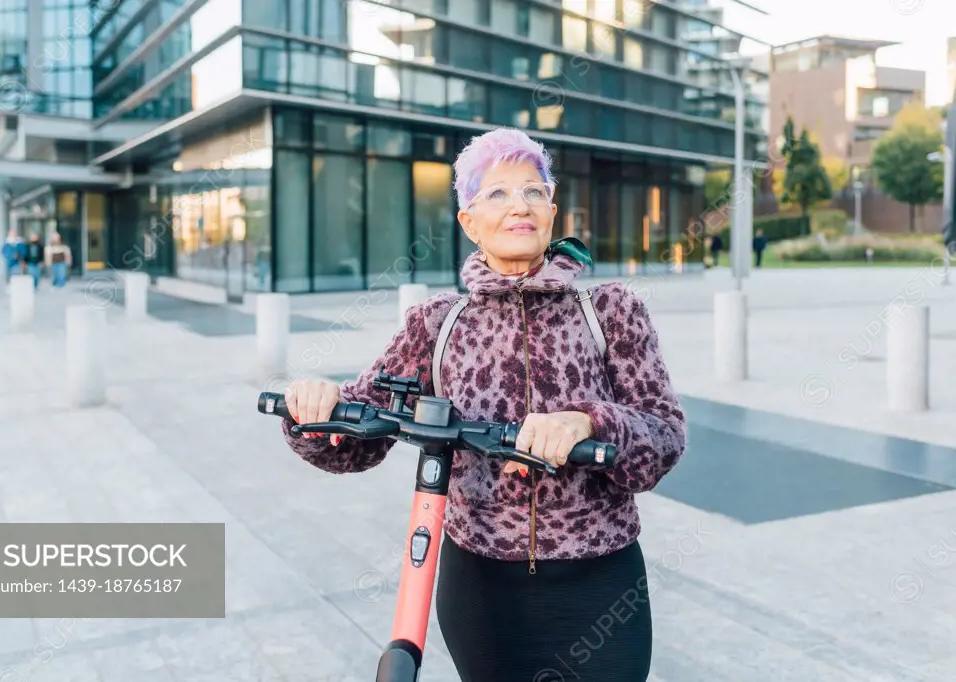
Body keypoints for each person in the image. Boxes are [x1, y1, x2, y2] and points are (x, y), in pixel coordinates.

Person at [280, 127, 686, 682]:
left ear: (552, 210)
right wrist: (313, 409)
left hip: (600, 581)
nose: (519, 204)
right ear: (468, 222)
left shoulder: (611, 311)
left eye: (534, 191)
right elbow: (358, 439)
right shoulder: (437, 323)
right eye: (497, 193)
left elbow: (663, 436)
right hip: (481, 585)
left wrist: (591, 420)